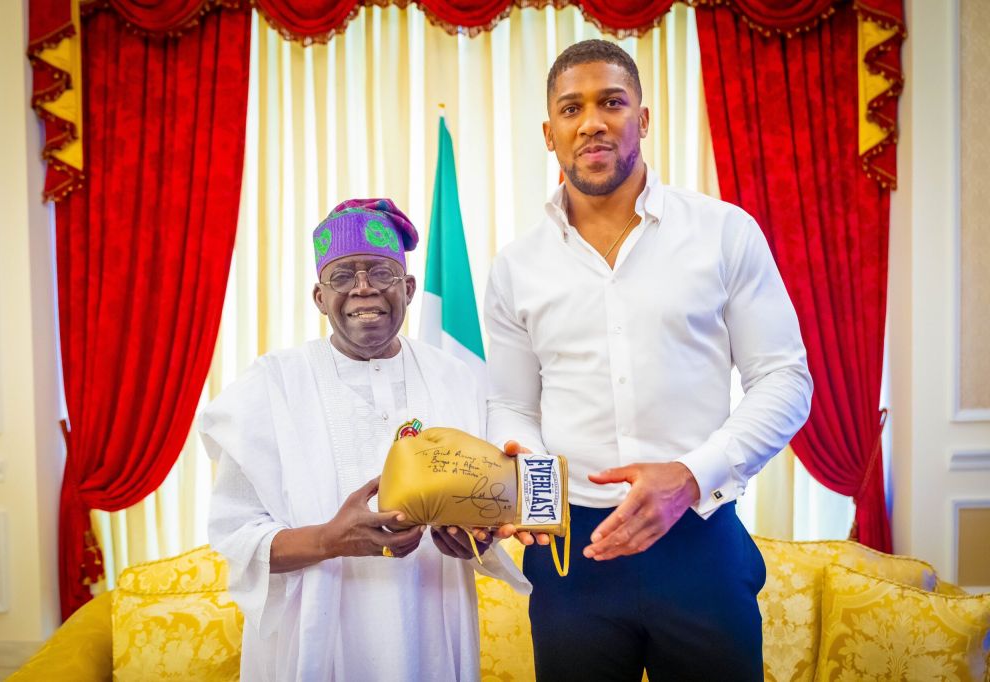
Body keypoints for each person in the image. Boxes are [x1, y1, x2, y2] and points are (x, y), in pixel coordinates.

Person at [485, 40, 813, 681]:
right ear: (549, 133)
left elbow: (784, 378)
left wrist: (692, 475)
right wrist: (532, 481)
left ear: (643, 117)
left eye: (612, 102)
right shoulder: (515, 266)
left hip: (700, 539)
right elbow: (513, 404)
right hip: (571, 557)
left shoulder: (725, 232)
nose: (592, 122)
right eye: (571, 108)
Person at [201, 198, 528, 682]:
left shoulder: (457, 378)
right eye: (342, 276)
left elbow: (485, 502)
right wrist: (328, 540)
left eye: (380, 272)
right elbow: (237, 538)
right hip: (313, 634)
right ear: (318, 296)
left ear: (409, 288)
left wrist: (471, 539)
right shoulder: (270, 385)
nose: (363, 288)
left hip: (432, 625)